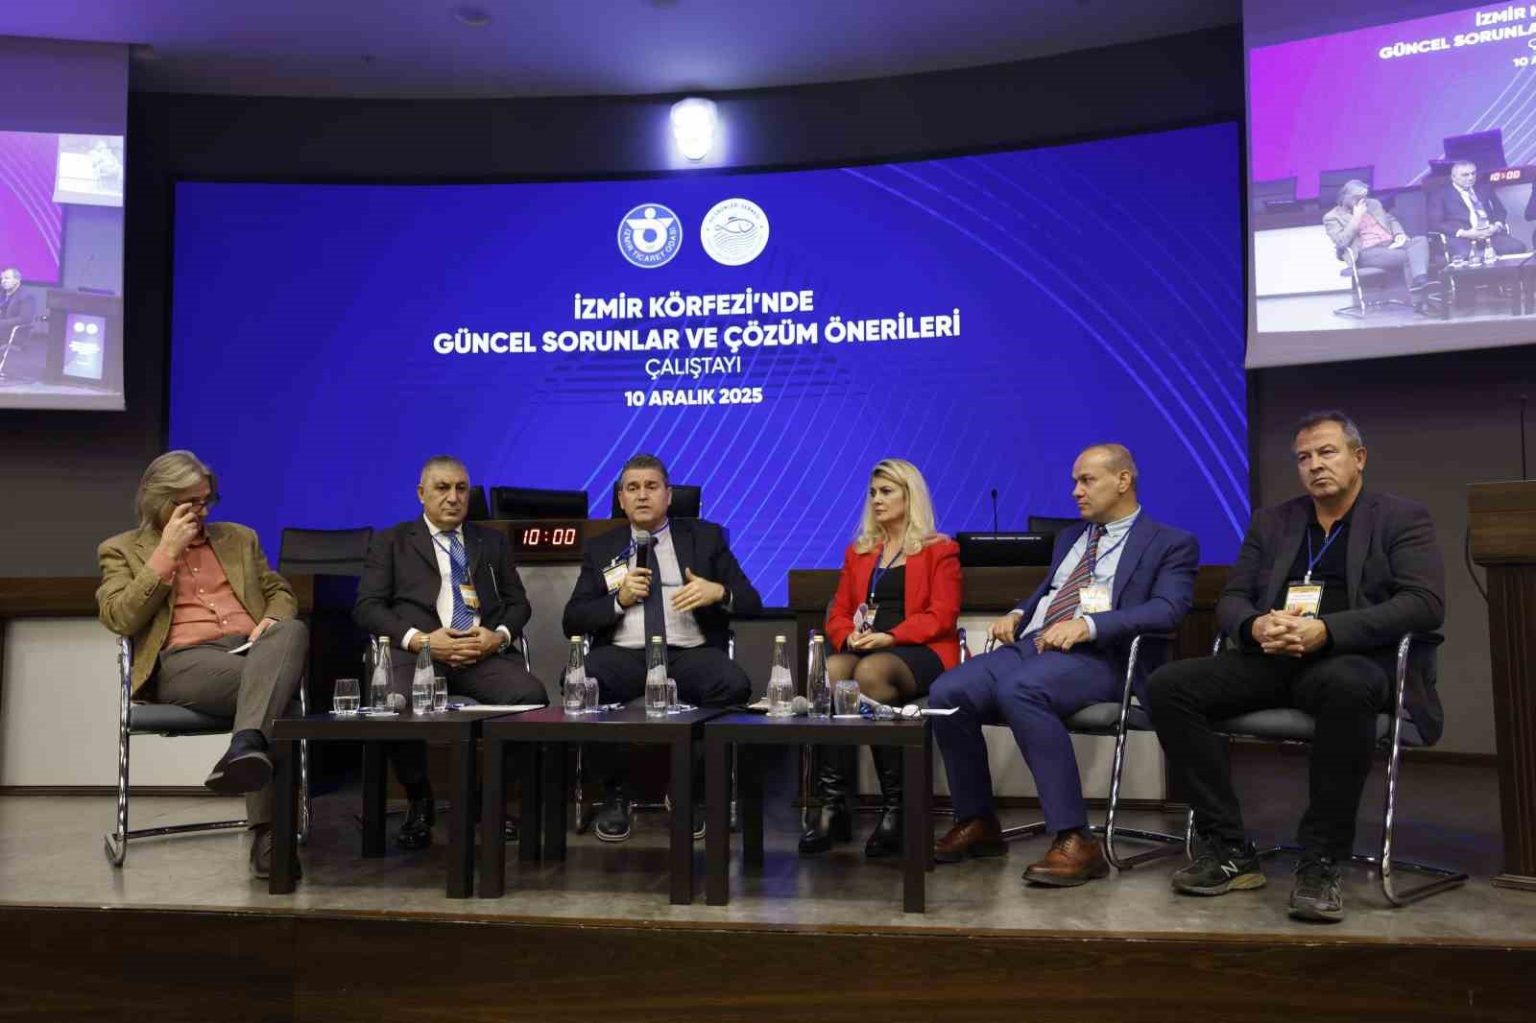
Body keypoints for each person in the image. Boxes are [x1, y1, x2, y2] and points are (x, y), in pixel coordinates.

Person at [1145, 411, 1445, 923]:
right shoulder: (1274, 521)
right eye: (1303, 458)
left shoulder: (1400, 518)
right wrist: (1256, 626)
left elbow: (1424, 604)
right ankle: (1229, 847)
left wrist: (1328, 630)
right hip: (1272, 658)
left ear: (1358, 458)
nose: (1314, 465)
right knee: (1168, 686)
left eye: (1327, 452)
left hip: (1349, 661)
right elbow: (1233, 598)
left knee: (1348, 686)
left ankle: (1321, 859)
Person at [927, 444, 1198, 887]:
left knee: (1021, 689)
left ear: (1123, 481)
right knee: (947, 693)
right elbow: (1053, 590)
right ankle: (977, 821)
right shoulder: (1071, 537)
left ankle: (1076, 838)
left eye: (1086, 480)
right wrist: (1019, 611)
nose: (1076, 491)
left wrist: (1089, 625)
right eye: (1075, 481)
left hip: (1102, 657)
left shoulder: (1170, 542)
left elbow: (1168, 610)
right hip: (1034, 646)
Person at [96, 451, 308, 879]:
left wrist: (271, 618)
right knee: (279, 698)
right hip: (186, 662)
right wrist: (166, 554)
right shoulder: (121, 550)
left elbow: (280, 592)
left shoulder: (239, 538)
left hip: (252, 650)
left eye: (207, 500)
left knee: (292, 630)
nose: (202, 511)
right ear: (158, 501)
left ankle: (245, 746)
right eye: (190, 502)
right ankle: (269, 834)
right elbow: (119, 616)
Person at [562, 453, 762, 842]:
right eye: (632, 488)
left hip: (687, 652)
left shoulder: (705, 539)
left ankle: (688, 790)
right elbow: (573, 619)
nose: (642, 495)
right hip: (624, 654)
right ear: (621, 499)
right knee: (582, 682)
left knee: (733, 684)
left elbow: (752, 602)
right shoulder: (602, 548)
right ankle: (615, 795)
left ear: (669, 496)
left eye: (651, 487)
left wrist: (718, 592)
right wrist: (618, 600)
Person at [354, 455, 546, 850]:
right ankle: (419, 798)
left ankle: (485, 802)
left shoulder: (490, 541)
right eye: (442, 488)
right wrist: (420, 640)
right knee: (393, 702)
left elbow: (518, 604)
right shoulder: (392, 541)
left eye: (461, 489)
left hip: (480, 654)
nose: (454, 497)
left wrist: (498, 637)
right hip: (419, 654)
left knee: (531, 697)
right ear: (421, 493)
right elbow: (367, 607)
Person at [805, 458, 961, 858]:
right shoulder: (859, 552)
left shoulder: (940, 549)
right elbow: (839, 611)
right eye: (873, 492)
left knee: (870, 673)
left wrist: (892, 636)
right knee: (833, 670)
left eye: (887, 491)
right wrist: (848, 635)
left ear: (910, 496)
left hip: (920, 651)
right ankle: (832, 805)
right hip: (867, 649)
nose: (876, 499)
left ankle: (898, 809)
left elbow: (942, 616)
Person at [1321, 180, 1429, 299]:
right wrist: (1356, 218)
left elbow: (1390, 219)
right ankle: (1417, 294)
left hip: (1391, 244)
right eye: (1357, 197)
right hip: (1367, 252)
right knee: (1409, 255)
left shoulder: (1373, 204)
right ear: (1344, 197)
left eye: (1364, 196)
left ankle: (1420, 279)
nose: (1362, 200)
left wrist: (1399, 234)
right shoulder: (1332, 217)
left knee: (1420, 241)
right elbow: (1341, 242)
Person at [1428, 161, 1529, 260]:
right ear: (1453, 177)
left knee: (1518, 247)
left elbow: (1500, 211)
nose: (1471, 178)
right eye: (1465, 175)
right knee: (1470, 255)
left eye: (1473, 173)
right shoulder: (1440, 195)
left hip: (1490, 234)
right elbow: (1436, 223)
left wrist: (1496, 226)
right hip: (1462, 237)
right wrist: (1465, 233)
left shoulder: (1483, 188)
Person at [0, 267, 36, 344]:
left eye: (7, 278)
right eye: (2, 279)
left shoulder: (26, 296)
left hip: (14, 332)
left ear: (17, 280)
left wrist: (2, 323)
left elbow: (25, 318)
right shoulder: (1, 293)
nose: (3, 281)